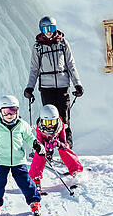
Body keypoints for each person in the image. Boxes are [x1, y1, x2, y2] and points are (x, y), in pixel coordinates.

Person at [0, 95, 42, 216]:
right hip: (2, 160)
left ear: (17, 111)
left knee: (25, 181)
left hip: (19, 160)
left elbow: (29, 137)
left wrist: (36, 145)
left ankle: (34, 201)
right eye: (6, 112)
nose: (9, 115)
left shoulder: (22, 125)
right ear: (0, 112)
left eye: (12, 111)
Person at [24, 16, 83, 146]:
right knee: (48, 118)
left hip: (63, 86)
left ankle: (66, 145)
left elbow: (71, 65)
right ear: (41, 30)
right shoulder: (38, 47)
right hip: (46, 87)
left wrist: (77, 84)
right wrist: (30, 87)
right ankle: (48, 146)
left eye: (51, 28)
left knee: (64, 117)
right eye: (45, 29)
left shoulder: (63, 44)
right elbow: (34, 69)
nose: (49, 32)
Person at [28, 105, 83, 193]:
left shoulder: (60, 126)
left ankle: (76, 170)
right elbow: (39, 142)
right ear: (42, 121)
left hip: (56, 142)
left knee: (64, 150)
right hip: (45, 144)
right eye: (47, 122)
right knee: (39, 153)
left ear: (57, 120)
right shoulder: (39, 128)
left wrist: (60, 144)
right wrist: (44, 146)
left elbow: (64, 142)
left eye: (52, 122)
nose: (50, 125)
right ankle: (35, 177)